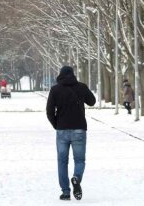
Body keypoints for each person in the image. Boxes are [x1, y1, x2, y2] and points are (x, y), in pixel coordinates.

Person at [46, 65, 96, 201]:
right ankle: (76, 177)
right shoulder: (81, 87)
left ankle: (66, 192)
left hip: (62, 130)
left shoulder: (55, 90)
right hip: (79, 128)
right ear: (73, 74)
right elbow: (92, 101)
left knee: (62, 161)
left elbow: (49, 111)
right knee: (79, 160)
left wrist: (57, 125)